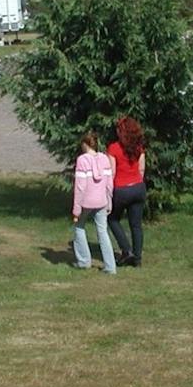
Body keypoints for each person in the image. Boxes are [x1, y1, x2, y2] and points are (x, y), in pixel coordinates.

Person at [70, 130, 116, 274]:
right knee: (103, 232)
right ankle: (110, 266)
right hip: (102, 201)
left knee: (79, 227)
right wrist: (109, 201)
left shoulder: (82, 160)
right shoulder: (104, 158)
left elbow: (80, 187)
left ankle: (84, 261)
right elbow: (109, 184)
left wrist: (76, 209)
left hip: (86, 202)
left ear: (85, 144)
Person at [106, 116, 147, 267]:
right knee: (136, 225)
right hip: (138, 187)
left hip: (121, 189)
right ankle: (137, 258)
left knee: (112, 219)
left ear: (121, 131)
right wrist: (137, 182)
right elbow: (141, 168)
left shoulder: (114, 148)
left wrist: (109, 193)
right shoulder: (139, 148)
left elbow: (112, 172)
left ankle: (126, 250)